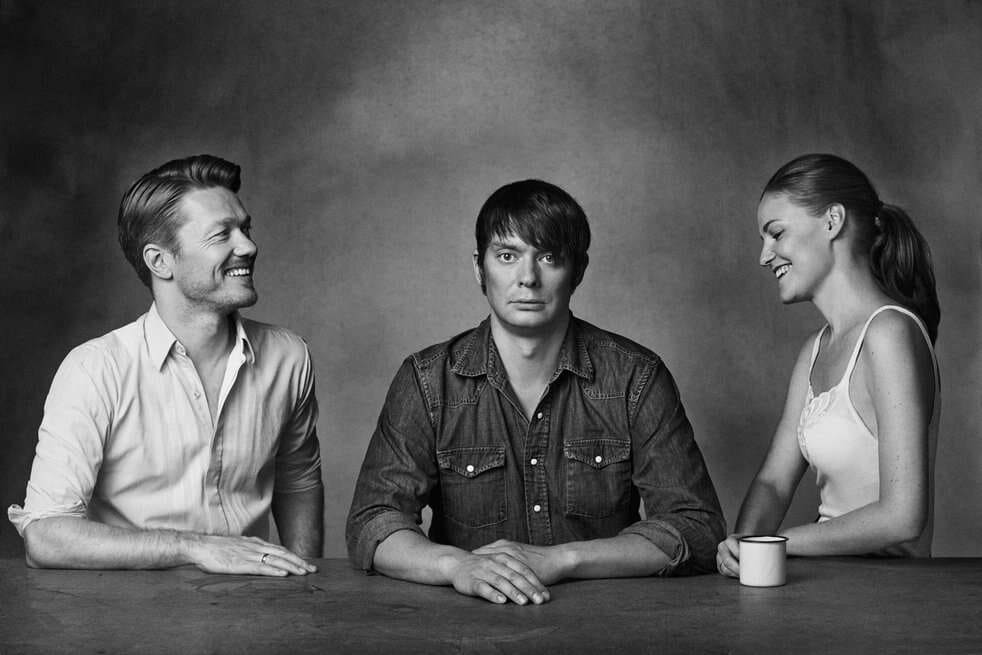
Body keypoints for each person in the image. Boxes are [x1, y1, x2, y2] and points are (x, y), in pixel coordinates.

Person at [346, 179, 724, 605]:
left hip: (609, 623)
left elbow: (697, 527)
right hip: (465, 626)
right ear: (479, 268)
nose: (528, 278)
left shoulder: (635, 377)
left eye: (548, 257)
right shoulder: (427, 380)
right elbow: (373, 522)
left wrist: (562, 560)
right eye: (507, 256)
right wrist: (457, 566)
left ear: (578, 270)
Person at [8, 155, 324, 577]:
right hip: (127, 611)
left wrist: (304, 583)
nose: (248, 246)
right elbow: (46, 536)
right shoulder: (94, 369)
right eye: (222, 234)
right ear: (160, 261)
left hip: (253, 606)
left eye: (245, 229)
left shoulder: (289, 356)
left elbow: (298, 480)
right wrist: (194, 547)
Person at [717, 154, 941, 577]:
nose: (764, 256)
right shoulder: (814, 350)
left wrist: (772, 546)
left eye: (776, 233)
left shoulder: (890, 333)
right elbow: (773, 482)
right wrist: (741, 553)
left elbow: (903, 516)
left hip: (893, 595)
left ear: (833, 221)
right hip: (828, 584)